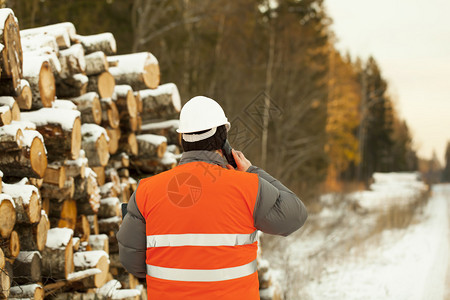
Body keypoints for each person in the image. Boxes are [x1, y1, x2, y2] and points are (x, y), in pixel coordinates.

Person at [117, 96, 308, 299]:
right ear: (223, 139)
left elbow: (132, 263)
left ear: (182, 140)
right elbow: (295, 215)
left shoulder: (147, 191)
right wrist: (252, 171)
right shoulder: (248, 186)